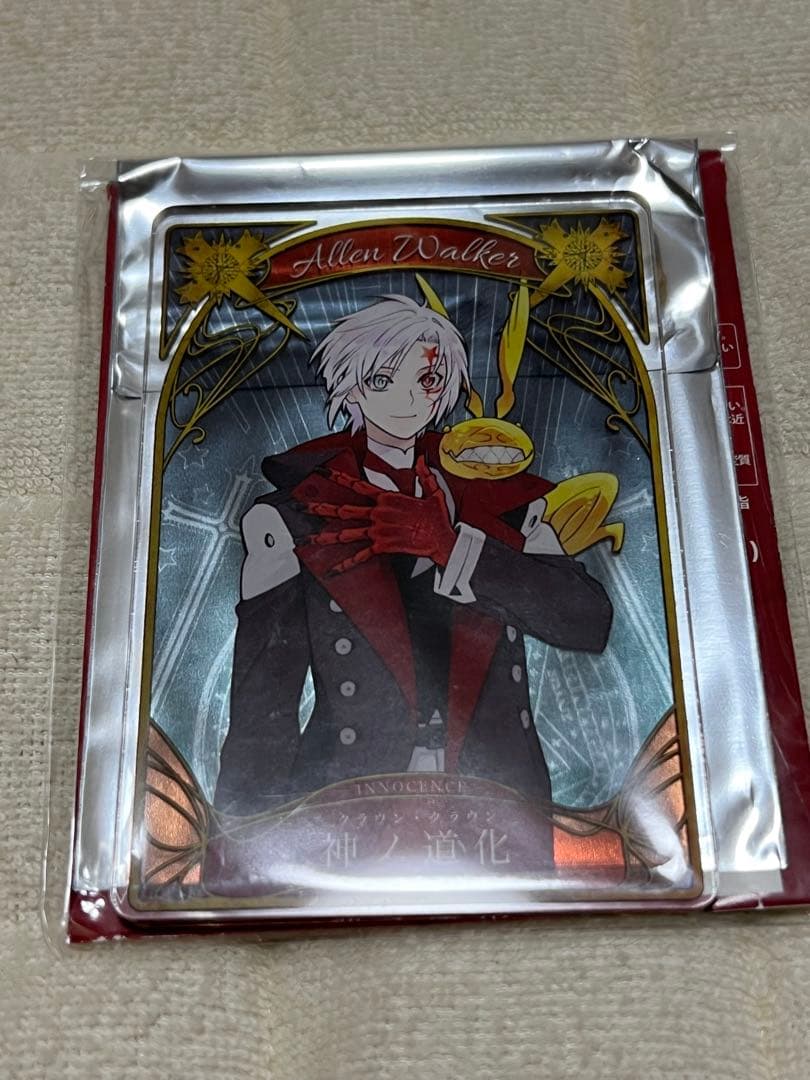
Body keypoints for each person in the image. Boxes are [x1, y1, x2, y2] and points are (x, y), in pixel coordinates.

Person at [213, 293, 612, 818]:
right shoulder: (293, 517)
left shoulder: (502, 499)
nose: (406, 399)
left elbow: (589, 623)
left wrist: (453, 547)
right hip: (351, 803)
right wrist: (240, 842)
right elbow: (264, 706)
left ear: (445, 387)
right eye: (381, 380)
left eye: (426, 380)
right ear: (351, 389)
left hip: (497, 804)